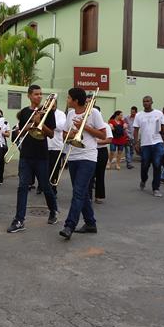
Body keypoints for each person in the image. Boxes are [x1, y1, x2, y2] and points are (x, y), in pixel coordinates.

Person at [7, 85, 58, 234]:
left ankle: (53, 210)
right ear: (29, 96)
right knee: (22, 187)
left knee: (45, 186)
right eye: (36, 94)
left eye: (41, 94)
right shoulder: (24, 112)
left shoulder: (48, 112)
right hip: (26, 155)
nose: (39, 96)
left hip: (41, 155)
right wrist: (30, 125)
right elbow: (21, 133)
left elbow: (51, 134)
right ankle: (19, 220)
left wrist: (39, 123)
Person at [59, 89, 107, 240]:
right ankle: (90, 223)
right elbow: (64, 135)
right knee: (83, 193)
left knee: (78, 192)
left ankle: (69, 226)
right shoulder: (70, 114)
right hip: (73, 156)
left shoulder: (93, 113)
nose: (67, 100)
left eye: (68, 97)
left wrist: (84, 126)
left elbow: (103, 135)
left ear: (75, 100)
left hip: (88, 156)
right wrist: (72, 134)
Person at [133, 96, 164, 198]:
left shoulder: (158, 113)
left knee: (157, 165)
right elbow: (136, 130)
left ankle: (156, 188)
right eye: (144, 101)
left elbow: (163, 129)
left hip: (157, 143)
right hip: (145, 144)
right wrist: (136, 143)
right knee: (144, 165)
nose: (146, 103)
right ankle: (143, 180)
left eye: (148, 101)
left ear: (152, 102)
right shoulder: (139, 115)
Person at [90, 107, 113, 204]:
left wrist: (97, 142)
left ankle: (99, 196)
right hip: (90, 151)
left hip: (101, 152)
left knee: (100, 174)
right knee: (90, 175)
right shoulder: (88, 125)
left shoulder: (105, 126)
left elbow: (109, 139)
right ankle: (88, 195)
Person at [47, 100, 68, 197]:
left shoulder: (61, 114)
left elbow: (61, 126)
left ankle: (53, 189)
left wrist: (47, 124)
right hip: (44, 144)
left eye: (54, 103)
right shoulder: (43, 111)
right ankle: (42, 186)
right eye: (50, 103)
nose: (52, 105)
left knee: (54, 168)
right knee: (43, 168)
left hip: (56, 145)